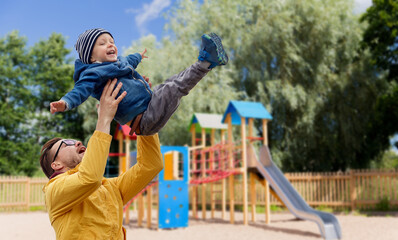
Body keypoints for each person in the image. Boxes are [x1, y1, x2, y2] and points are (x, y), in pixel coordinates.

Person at [40, 79, 164, 239]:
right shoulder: (55, 190)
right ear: (56, 164)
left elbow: (151, 165)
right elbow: (90, 178)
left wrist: (141, 117)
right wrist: (104, 117)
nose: (77, 142)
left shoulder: (111, 187)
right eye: (66, 144)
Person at [50, 28, 228, 135]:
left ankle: (207, 60)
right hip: (144, 120)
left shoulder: (118, 62)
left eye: (112, 41)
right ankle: (206, 62)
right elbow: (79, 91)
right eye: (103, 43)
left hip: (150, 102)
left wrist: (139, 56)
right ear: (90, 56)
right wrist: (65, 103)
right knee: (175, 87)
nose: (111, 45)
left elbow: (129, 59)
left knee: (170, 82)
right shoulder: (93, 73)